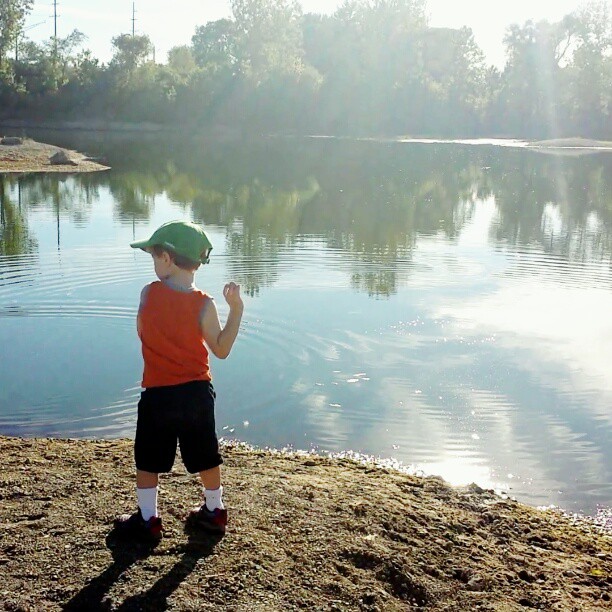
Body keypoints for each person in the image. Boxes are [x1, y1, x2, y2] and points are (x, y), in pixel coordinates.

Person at [115, 220, 243, 541]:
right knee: (205, 454)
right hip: (197, 394)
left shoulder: (148, 294)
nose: (153, 262)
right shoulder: (205, 305)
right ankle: (215, 510)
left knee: (148, 458)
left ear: (168, 259)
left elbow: (141, 332)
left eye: (154, 255)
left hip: (157, 394)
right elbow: (221, 349)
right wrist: (236, 310)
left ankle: (148, 519)